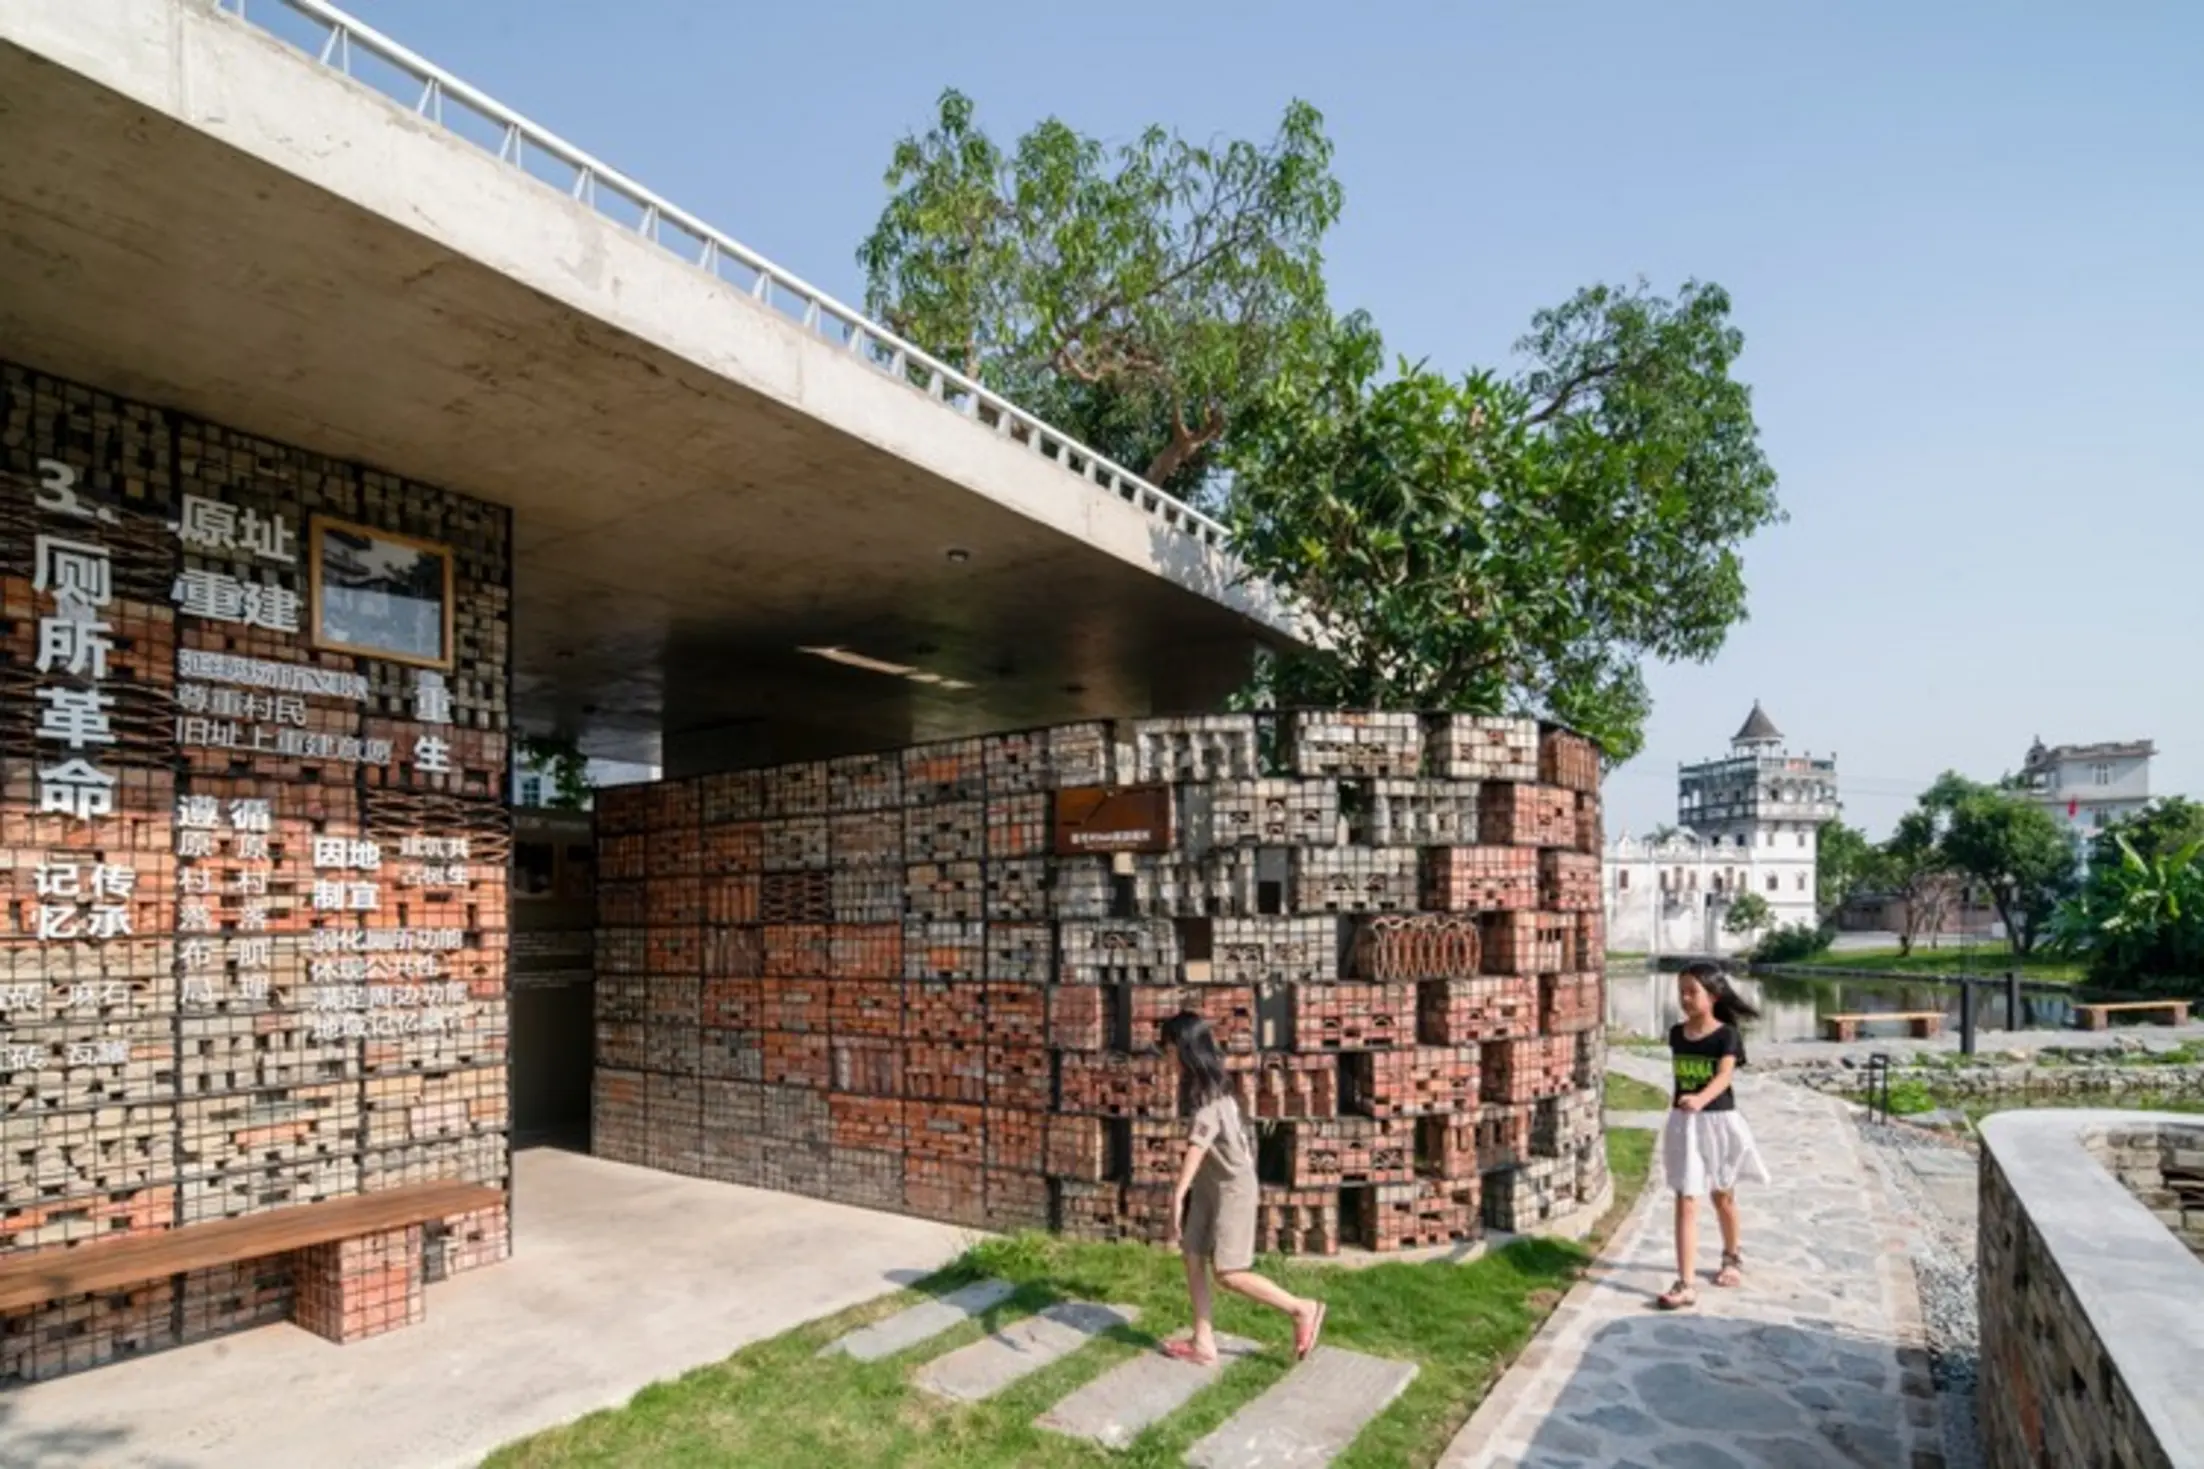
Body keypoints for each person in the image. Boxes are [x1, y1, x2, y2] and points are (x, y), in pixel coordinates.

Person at [1158, 1011, 1326, 1363]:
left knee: (1229, 1273)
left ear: (1183, 1049)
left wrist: (1177, 1196)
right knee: (1192, 1253)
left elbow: (1196, 1148)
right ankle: (1203, 1342)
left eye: (1168, 1048)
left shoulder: (1207, 1099)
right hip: (1211, 1182)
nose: (1166, 1056)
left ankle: (1301, 1308)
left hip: (1232, 1188)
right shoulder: (1210, 1085)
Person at [1656, 961, 1771, 1311]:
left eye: (1693, 992)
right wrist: (1685, 1107)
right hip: (1684, 1124)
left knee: (1722, 1196)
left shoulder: (1727, 1036)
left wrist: (1701, 1099)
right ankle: (1685, 1282)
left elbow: (1724, 1078)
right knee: (1686, 1198)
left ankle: (1731, 1256)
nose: (1686, 999)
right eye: (1682, 992)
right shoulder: (1676, 1034)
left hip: (1718, 1121)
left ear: (1713, 995)